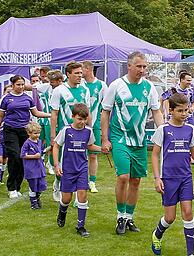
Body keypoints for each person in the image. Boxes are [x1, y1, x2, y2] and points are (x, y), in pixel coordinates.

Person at [101, 51, 165, 235]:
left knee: (136, 181)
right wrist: (105, 139)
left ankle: (129, 217)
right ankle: (120, 216)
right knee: (123, 177)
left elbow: (156, 111)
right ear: (129, 66)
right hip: (120, 138)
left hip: (139, 140)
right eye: (139, 66)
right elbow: (105, 112)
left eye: (145, 67)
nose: (142, 70)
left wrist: (164, 132)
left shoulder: (149, 87)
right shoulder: (117, 85)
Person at [149, 93, 194, 256]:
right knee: (170, 217)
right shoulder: (163, 130)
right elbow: (154, 155)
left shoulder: (190, 129)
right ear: (171, 110)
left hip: (185, 178)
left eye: (186, 110)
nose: (184, 114)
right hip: (168, 179)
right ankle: (157, 235)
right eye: (180, 111)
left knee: (188, 213)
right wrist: (157, 178)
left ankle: (191, 255)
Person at [0, 75, 50, 198]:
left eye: (23, 84)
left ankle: (17, 186)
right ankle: (11, 187)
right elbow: (0, 117)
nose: (21, 87)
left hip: (24, 130)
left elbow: (36, 113)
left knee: (24, 158)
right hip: (10, 130)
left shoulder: (28, 98)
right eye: (18, 84)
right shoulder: (6, 98)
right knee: (15, 156)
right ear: (12, 85)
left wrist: (51, 115)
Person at [53, 103, 102, 237]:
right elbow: (56, 146)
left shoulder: (88, 131)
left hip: (82, 168)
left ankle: (81, 226)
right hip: (67, 169)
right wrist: (57, 165)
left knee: (82, 195)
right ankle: (62, 212)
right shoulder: (66, 130)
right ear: (73, 117)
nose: (82, 122)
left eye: (84, 119)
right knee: (67, 198)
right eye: (79, 119)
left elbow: (90, 146)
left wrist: (101, 149)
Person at [51, 62, 92, 203]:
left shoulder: (85, 90)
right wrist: (52, 134)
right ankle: (58, 183)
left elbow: (88, 111)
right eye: (76, 73)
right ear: (68, 74)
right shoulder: (59, 90)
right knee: (62, 163)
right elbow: (54, 114)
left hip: (80, 131)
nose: (80, 76)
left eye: (81, 73)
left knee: (80, 159)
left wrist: (90, 129)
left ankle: (78, 195)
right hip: (64, 131)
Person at [82, 61, 106, 193]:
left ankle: (92, 181)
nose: (80, 73)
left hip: (95, 125)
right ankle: (81, 180)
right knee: (80, 154)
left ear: (87, 69)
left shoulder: (101, 85)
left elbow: (105, 107)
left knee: (93, 155)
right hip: (79, 125)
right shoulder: (80, 85)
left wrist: (103, 128)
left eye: (81, 70)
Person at [20, 122, 47, 209]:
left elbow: (42, 151)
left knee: (41, 185)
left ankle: (37, 197)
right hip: (31, 168)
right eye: (35, 133)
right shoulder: (27, 143)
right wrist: (34, 156)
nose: (37, 135)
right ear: (29, 133)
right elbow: (23, 155)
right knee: (33, 186)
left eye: (38, 133)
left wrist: (51, 147)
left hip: (39, 168)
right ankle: (33, 203)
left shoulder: (39, 142)